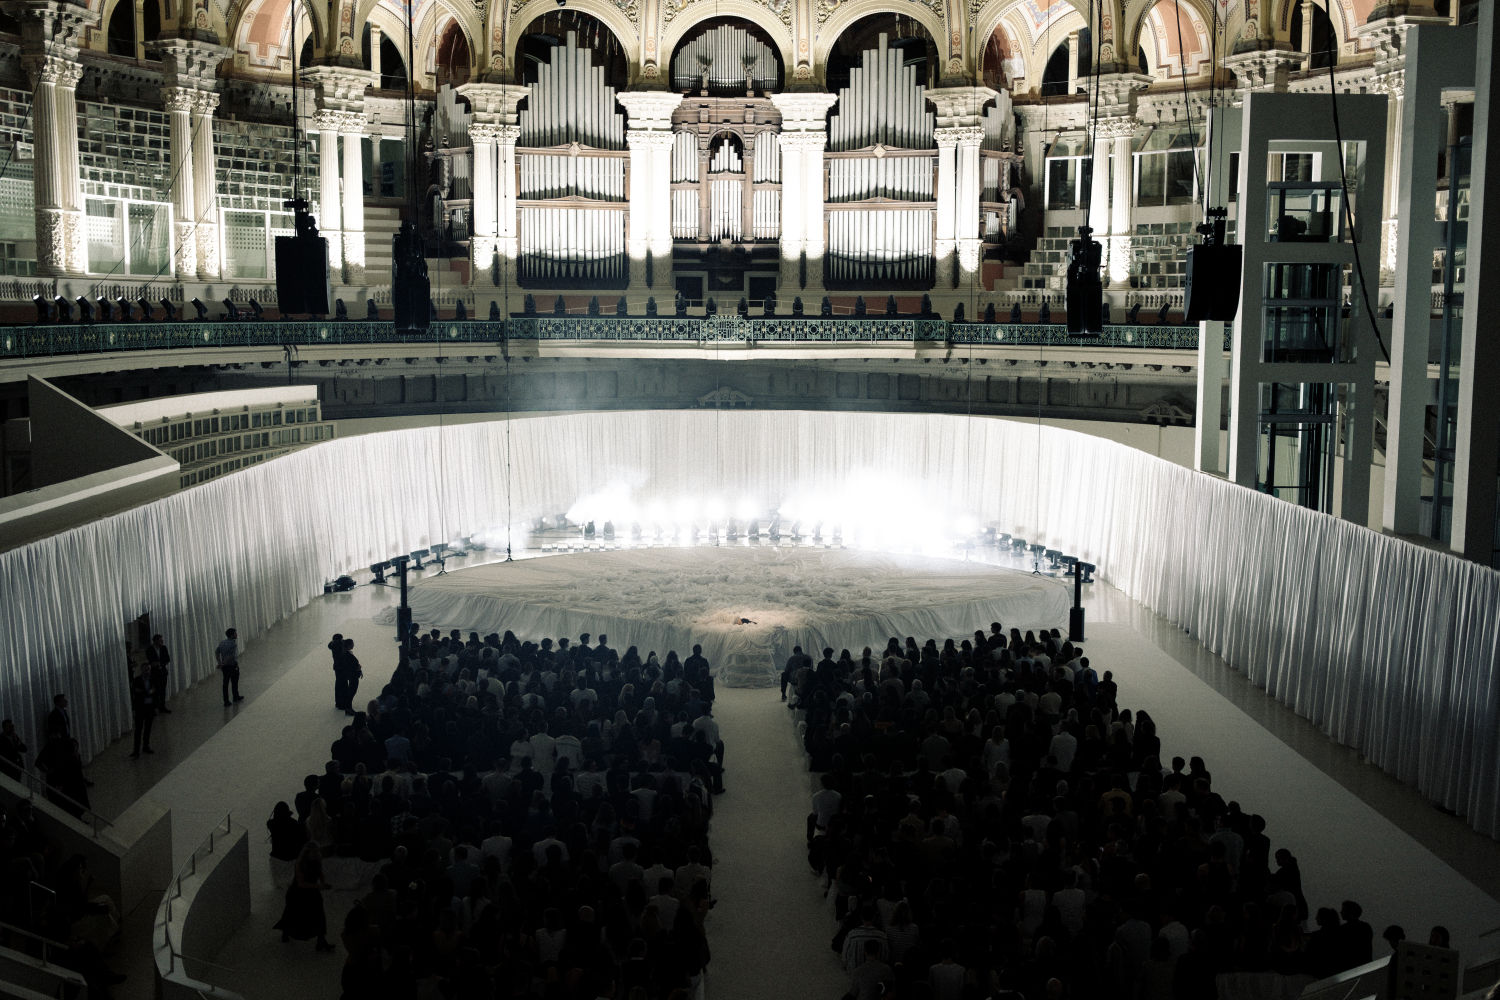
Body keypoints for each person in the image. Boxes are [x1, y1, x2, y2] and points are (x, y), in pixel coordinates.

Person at [274, 841, 335, 951]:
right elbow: (301, 883)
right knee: (294, 914)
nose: (316, 854)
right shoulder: (300, 864)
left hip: (311, 891)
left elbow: (320, 873)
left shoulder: (316, 860)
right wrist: (319, 886)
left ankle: (321, 940)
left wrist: (323, 882)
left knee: (318, 914)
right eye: (314, 852)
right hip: (298, 893)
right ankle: (287, 932)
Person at [128, 662, 155, 759]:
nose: (147, 671)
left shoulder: (152, 679)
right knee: (138, 730)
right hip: (140, 708)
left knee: (148, 729)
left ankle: (146, 746)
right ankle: (136, 750)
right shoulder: (137, 680)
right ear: (142, 670)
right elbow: (136, 692)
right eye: (145, 669)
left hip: (149, 707)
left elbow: (155, 690)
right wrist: (148, 692)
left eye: (148, 669)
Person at [145, 634, 172, 714]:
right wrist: (156, 663)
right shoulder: (149, 649)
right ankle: (154, 708)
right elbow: (151, 660)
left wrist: (159, 663)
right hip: (155, 673)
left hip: (163, 672)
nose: (162, 642)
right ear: (155, 641)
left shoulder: (164, 648)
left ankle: (162, 707)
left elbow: (167, 659)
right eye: (160, 640)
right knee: (155, 691)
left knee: (163, 690)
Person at [217, 628, 243, 706]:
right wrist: (223, 663)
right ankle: (235, 696)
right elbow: (230, 656)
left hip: (225, 667)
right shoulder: (233, 644)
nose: (236, 634)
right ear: (232, 635)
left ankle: (226, 701)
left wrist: (220, 663)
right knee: (234, 682)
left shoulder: (222, 642)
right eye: (235, 633)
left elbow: (217, 652)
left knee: (225, 683)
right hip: (232, 666)